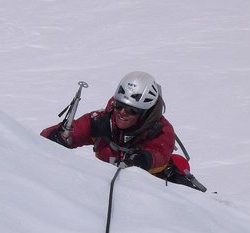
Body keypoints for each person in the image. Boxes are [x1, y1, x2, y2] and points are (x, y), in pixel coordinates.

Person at [40, 71, 206, 191]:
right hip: (105, 191)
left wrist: (142, 160)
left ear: (145, 113)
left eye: (131, 110)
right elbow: (55, 136)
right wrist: (58, 137)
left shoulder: (161, 130)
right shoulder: (102, 121)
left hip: (154, 193)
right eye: (119, 106)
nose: (122, 113)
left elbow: (159, 152)